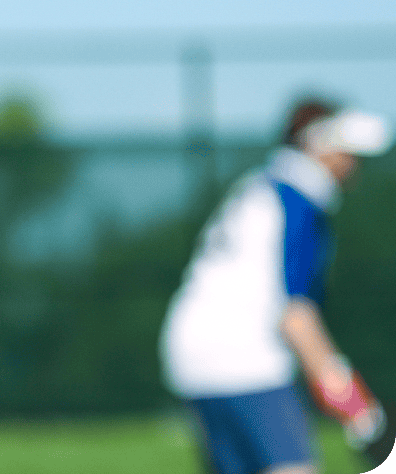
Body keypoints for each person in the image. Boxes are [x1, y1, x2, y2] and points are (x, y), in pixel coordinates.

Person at [161, 99, 391, 474]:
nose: (353, 164)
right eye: (347, 152)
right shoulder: (298, 200)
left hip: (190, 357)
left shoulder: (261, 186)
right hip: (245, 359)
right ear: (319, 147)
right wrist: (359, 411)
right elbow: (296, 317)